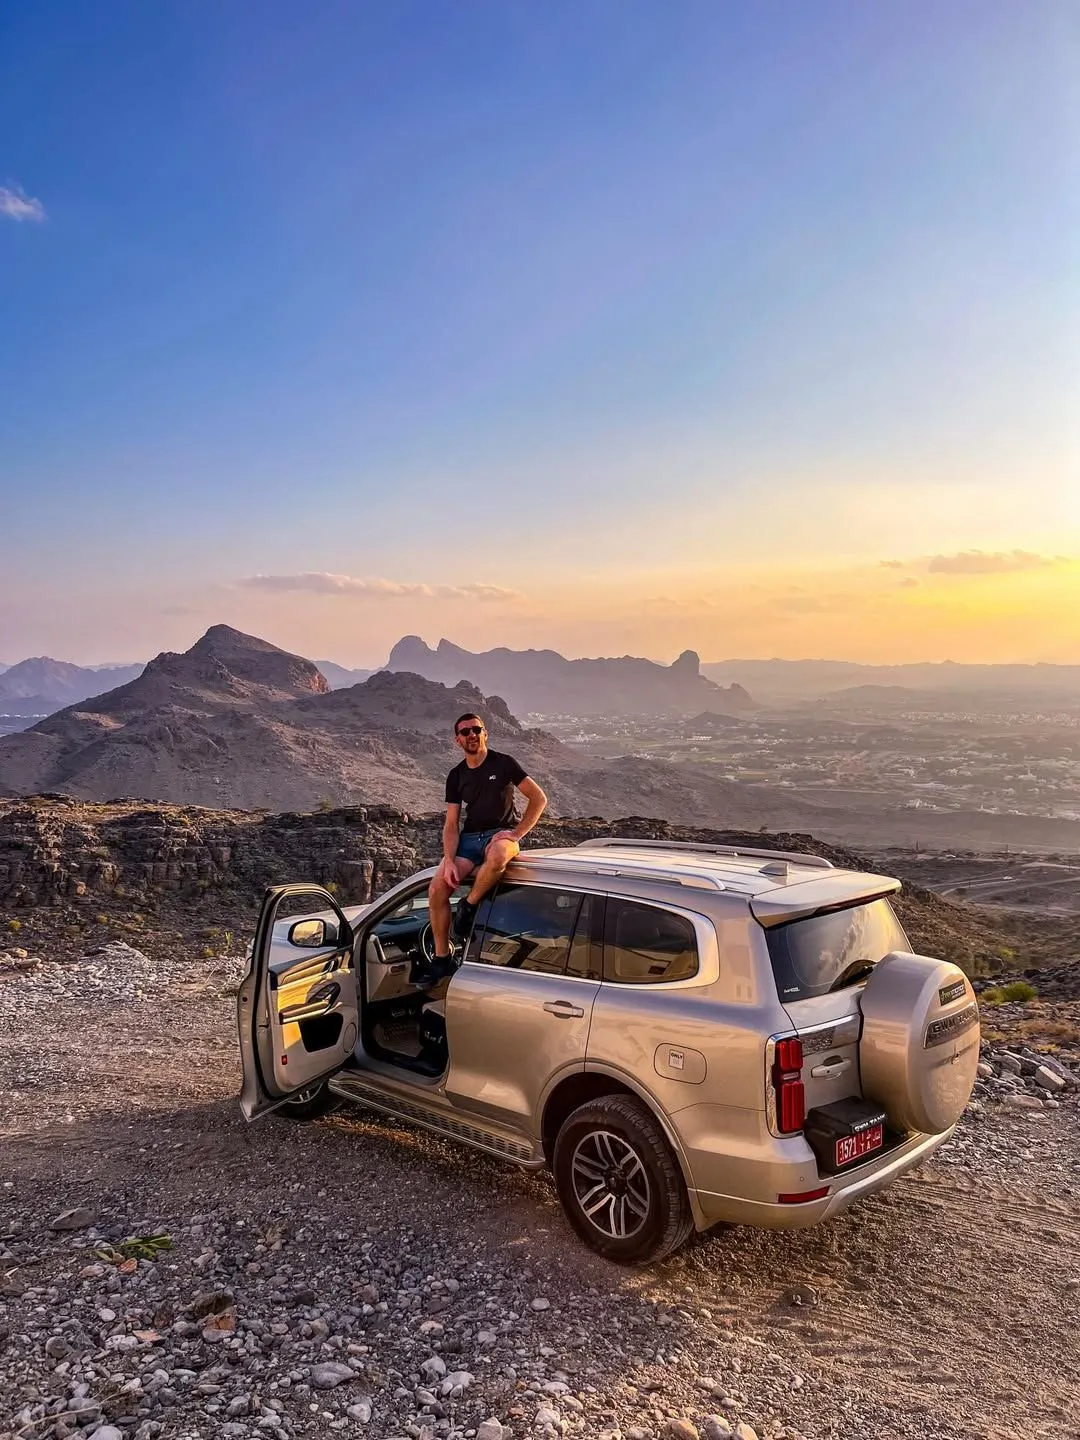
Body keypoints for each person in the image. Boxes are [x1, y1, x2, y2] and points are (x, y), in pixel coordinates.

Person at [427, 711, 547, 966]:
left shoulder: (504, 763)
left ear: (485, 733)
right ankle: (441, 958)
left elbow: (538, 798)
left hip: (501, 834)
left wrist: (516, 834)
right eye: (465, 732)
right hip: (470, 838)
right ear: (457, 740)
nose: (472, 735)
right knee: (437, 888)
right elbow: (451, 824)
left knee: (498, 856)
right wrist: (449, 860)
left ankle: (468, 907)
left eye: (476, 729)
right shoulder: (456, 775)